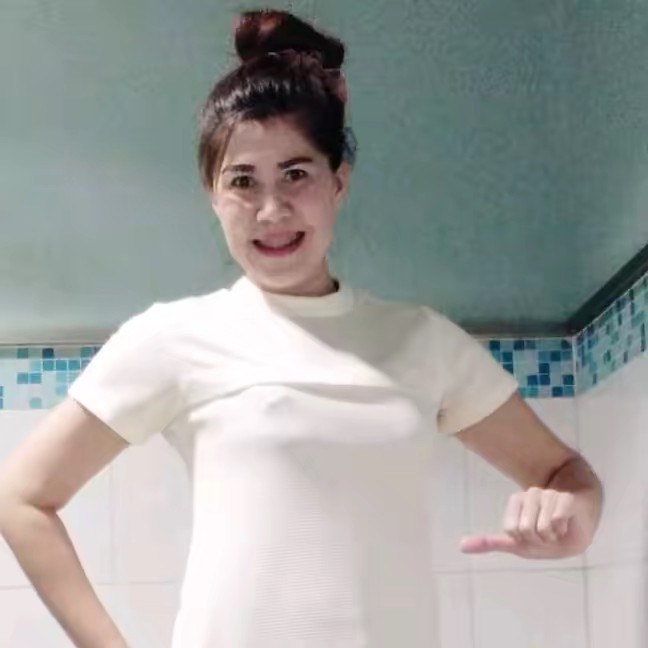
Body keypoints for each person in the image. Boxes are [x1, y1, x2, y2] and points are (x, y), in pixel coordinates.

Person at [0, 9, 603, 648]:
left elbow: (567, 473)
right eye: (242, 181)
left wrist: (574, 520)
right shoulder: (175, 338)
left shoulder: (422, 341)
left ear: (338, 182)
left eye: (296, 174)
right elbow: (21, 498)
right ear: (212, 194)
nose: (272, 210)